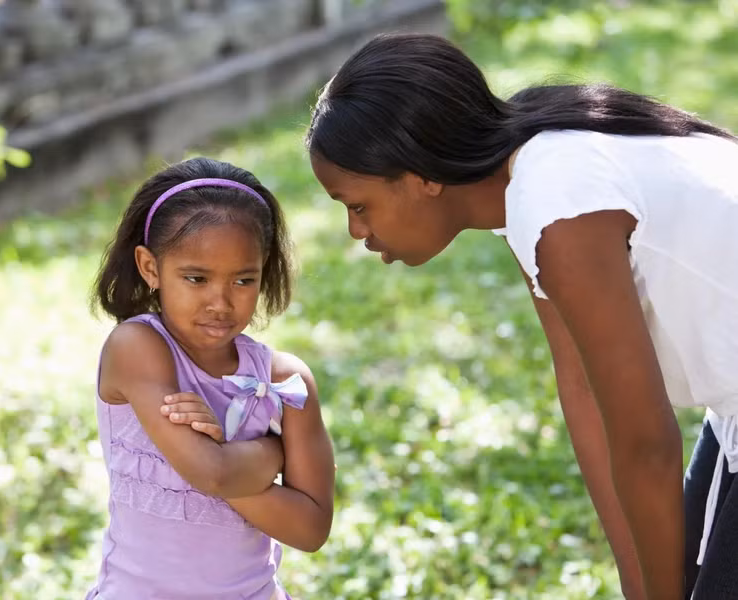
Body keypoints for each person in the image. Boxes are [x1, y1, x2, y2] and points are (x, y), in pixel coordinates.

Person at [305, 32, 738, 600]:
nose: (356, 232)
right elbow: (582, 390)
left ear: (422, 176)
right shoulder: (530, 178)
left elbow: (646, 444)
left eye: (358, 206)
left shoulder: (559, 206)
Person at [85, 157, 335, 599]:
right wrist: (273, 451)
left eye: (243, 279)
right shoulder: (138, 348)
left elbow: (310, 529)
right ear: (150, 268)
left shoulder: (284, 381)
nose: (220, 301)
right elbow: (212, 474)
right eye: (196, 278)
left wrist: (223, 458)